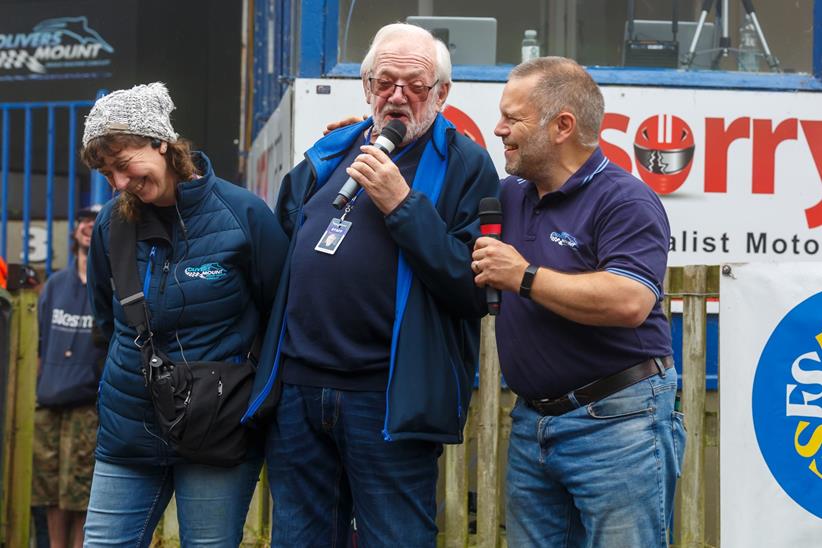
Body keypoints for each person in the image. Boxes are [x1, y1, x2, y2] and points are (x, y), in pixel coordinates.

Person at [243, 23, 499, 546]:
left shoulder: (466, 166)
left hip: (386, 399)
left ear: (442, 94)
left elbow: (472, 289)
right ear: (366, 88)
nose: (398, 96)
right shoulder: (332, 152)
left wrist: (402, 205)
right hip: (298, 395)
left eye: (415, 85)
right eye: (385, 82)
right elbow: (284, 253)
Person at [471, 57, 686, 547]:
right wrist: (367, 135)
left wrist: (521, 275)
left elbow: (629, 300)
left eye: (513, 117)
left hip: (618, 424)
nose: (500, 129)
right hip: (532, 424)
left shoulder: (625, 200)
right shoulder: (507, 196)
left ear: (562, 125)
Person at [81, 82, 284, 546]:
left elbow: (280, 318)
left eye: (123, 165)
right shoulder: (113, 225)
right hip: (128, 428)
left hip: (218, 426)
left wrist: (255, 403)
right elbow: (106, 320)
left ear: (161, 142)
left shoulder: (243, 215)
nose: (118, 183)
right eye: (108, 173)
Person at [32, 205, 105, 548]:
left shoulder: (109, 285)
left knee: (82, 497)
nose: (89, 226)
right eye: (83, 221)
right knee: (51, 496)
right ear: (75, 230)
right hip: (49, 404)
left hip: (87, 406)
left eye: (96, 221)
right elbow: (39, 345)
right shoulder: (54, 285)